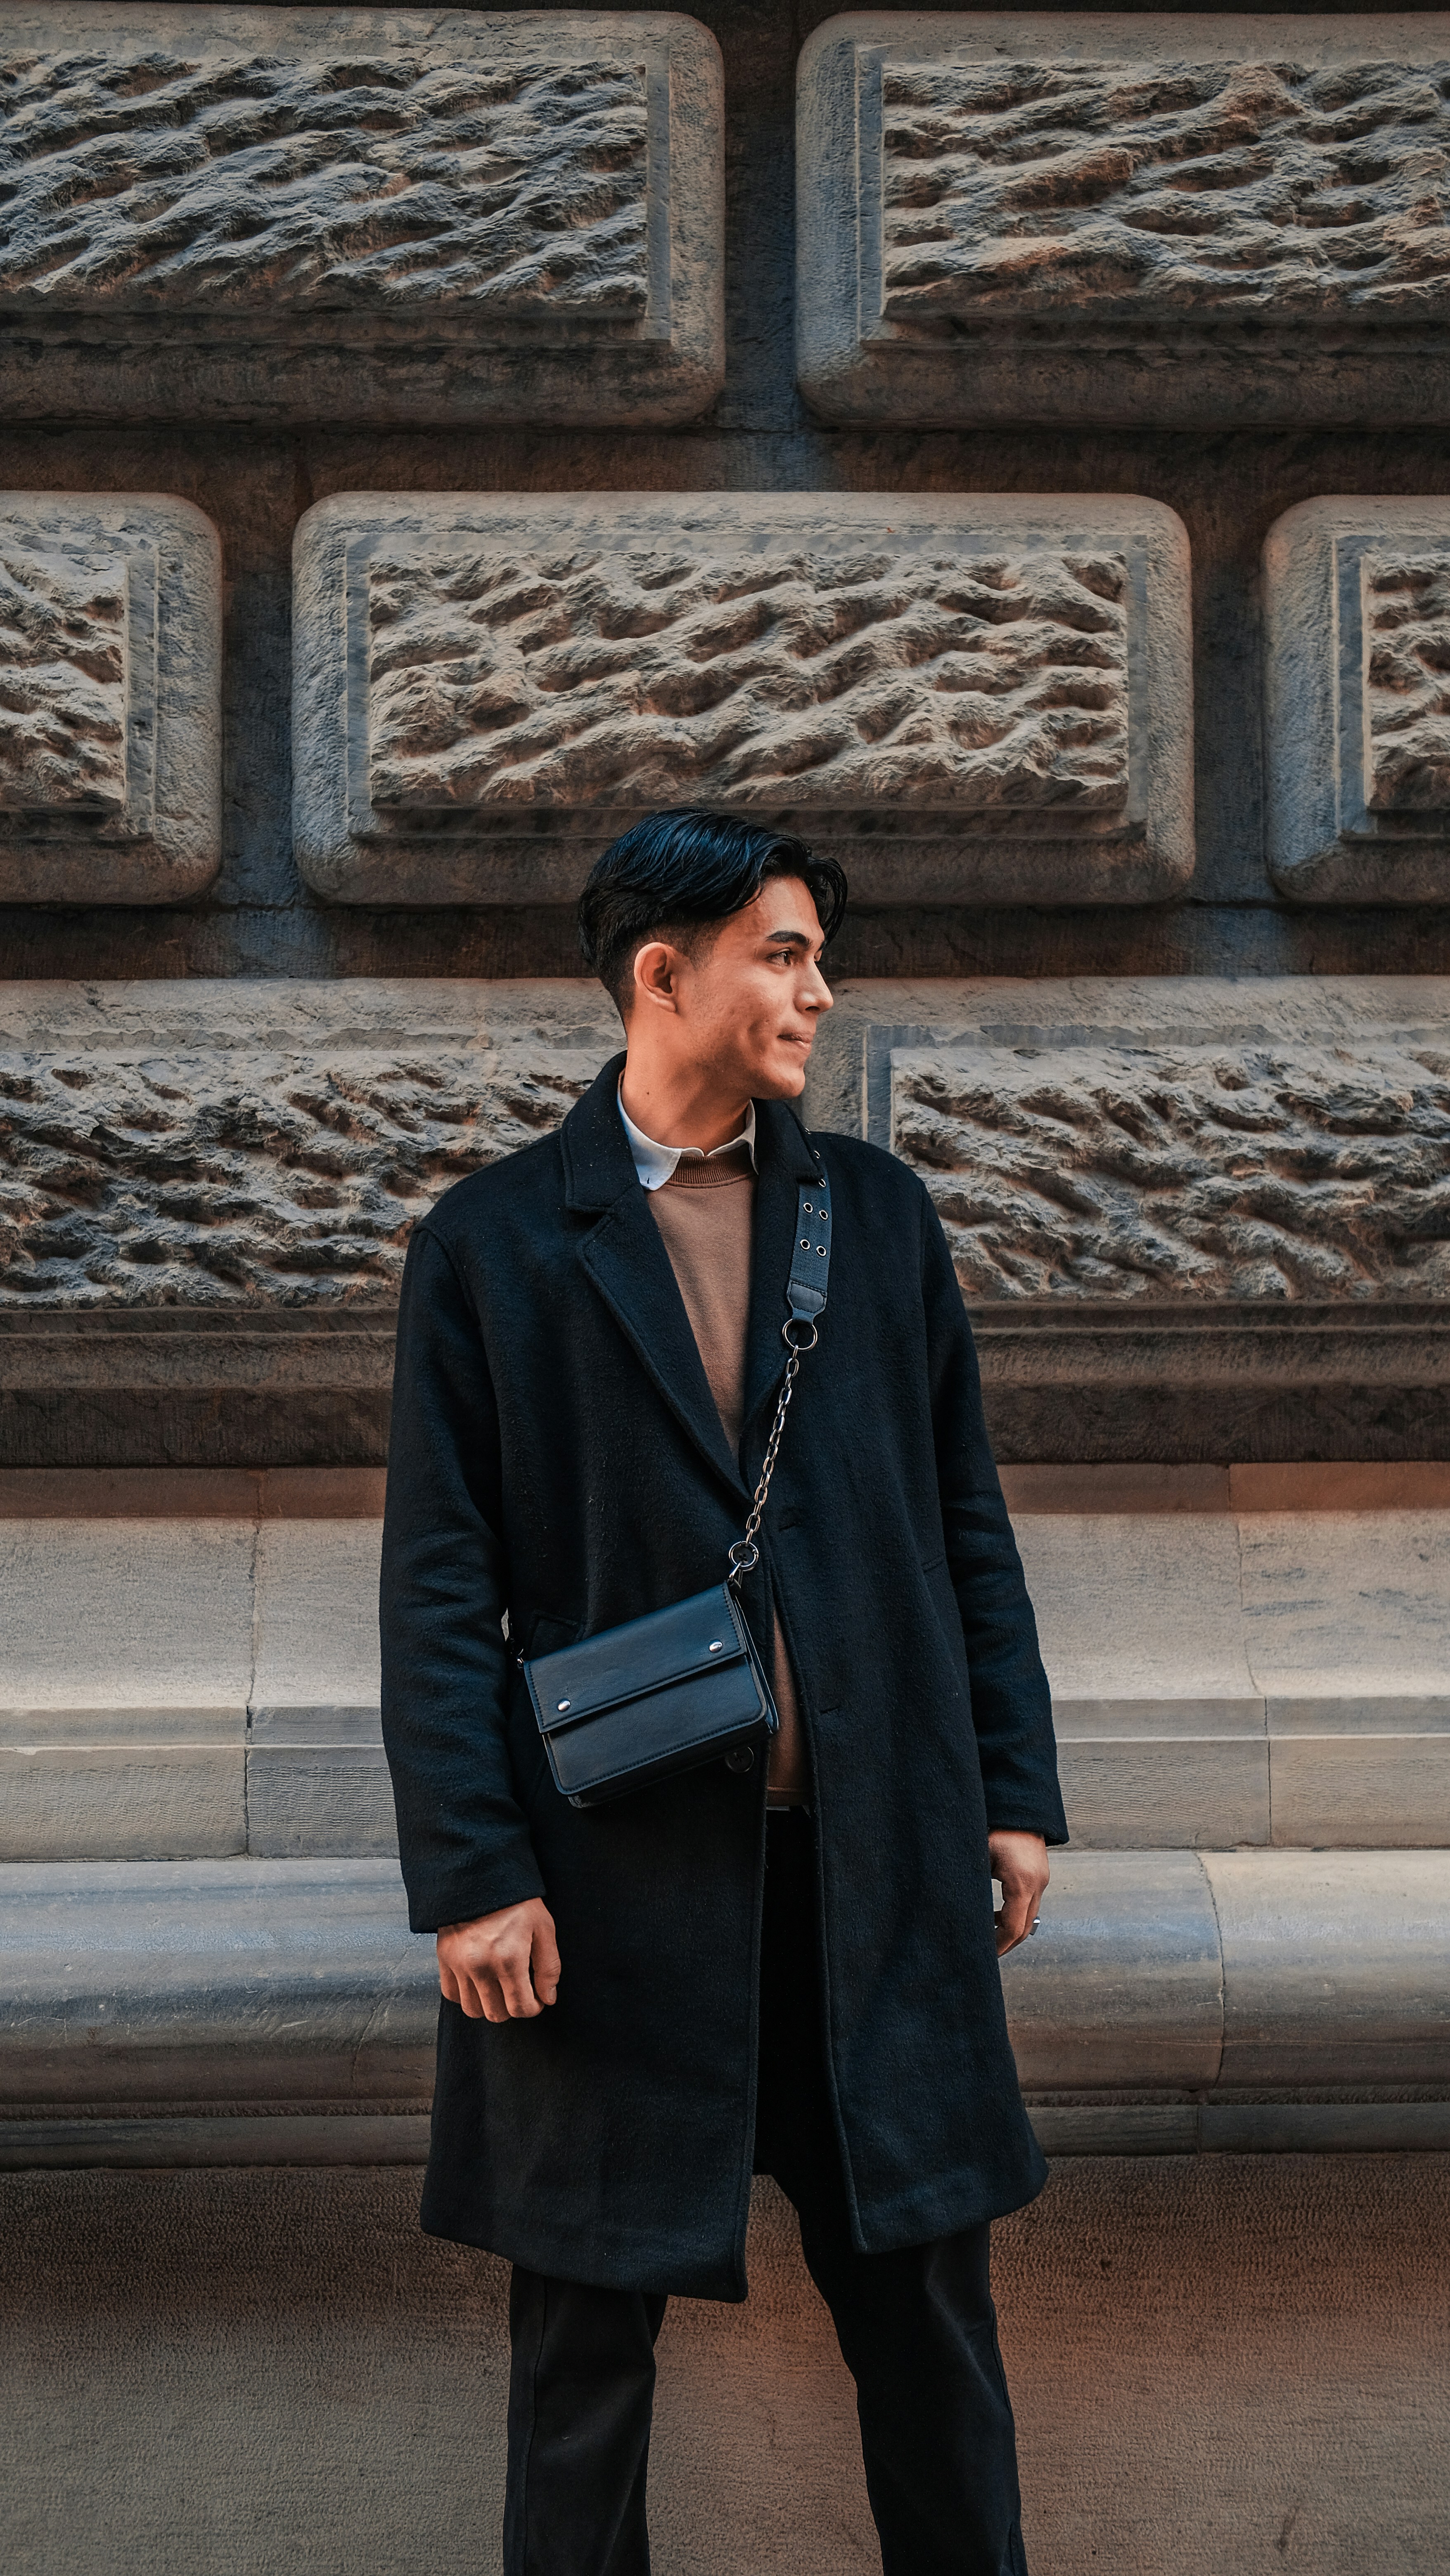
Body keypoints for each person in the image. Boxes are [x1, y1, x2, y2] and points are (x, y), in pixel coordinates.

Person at [380, 808, 1069, 2576]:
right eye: (784, 953)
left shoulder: (880, 1222)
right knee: (583, 2369)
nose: (817, 992)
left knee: (929, 2342)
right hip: (604, 1900)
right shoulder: (494, 1247)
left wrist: (1009, 1787)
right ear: (660, 973)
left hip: (869, 1883)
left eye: (816, 958)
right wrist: (471, 1871)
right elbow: (442, 1590)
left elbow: (962, 1525)